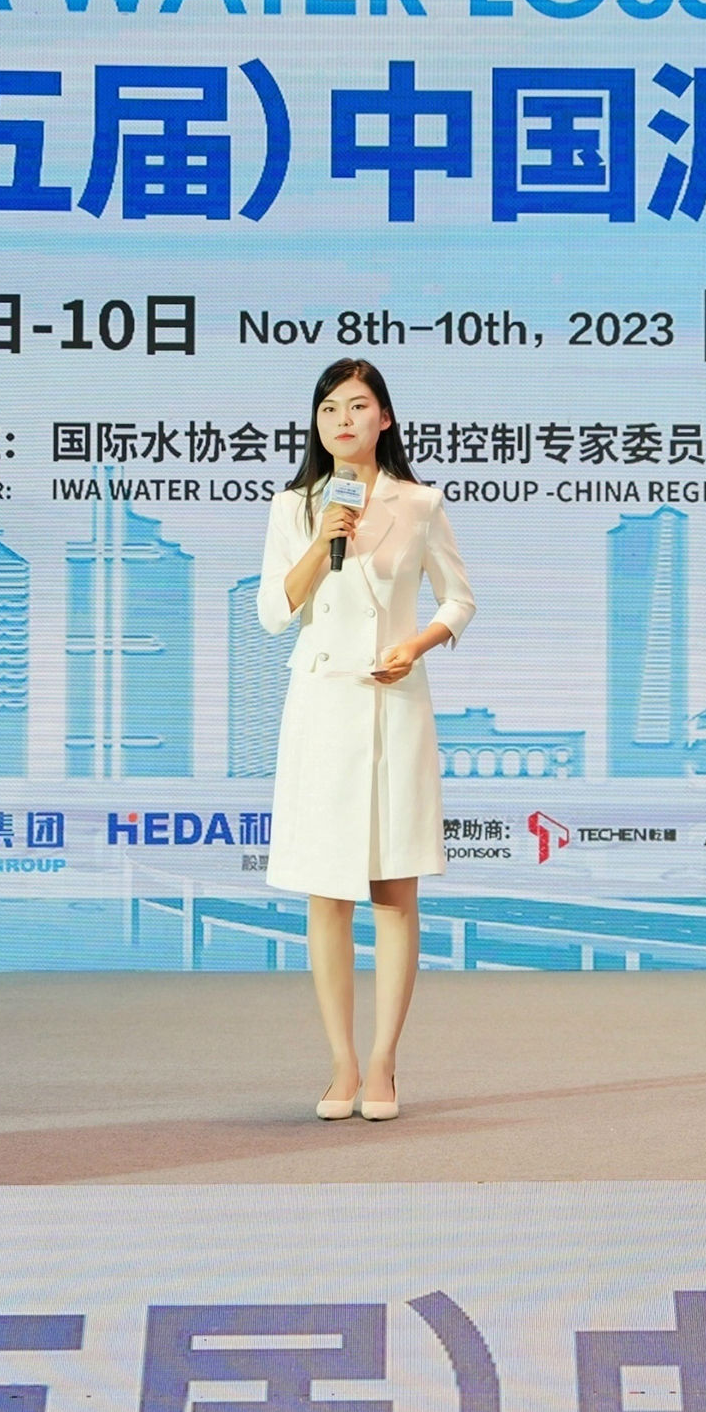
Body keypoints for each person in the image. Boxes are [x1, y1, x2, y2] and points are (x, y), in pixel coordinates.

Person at [257, 358, 475, 1123]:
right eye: (327, 408)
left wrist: (416, 644)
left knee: (393, 886)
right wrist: (322, 540)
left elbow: (459, 598)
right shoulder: (295, 506)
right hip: (322, 702)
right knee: (327, 890)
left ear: (384, 417)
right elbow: (273, 612)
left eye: (356, 406)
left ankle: (382, 1060)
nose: (340, 420)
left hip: (393, 703)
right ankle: (340, 1061)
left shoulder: (419, 502)